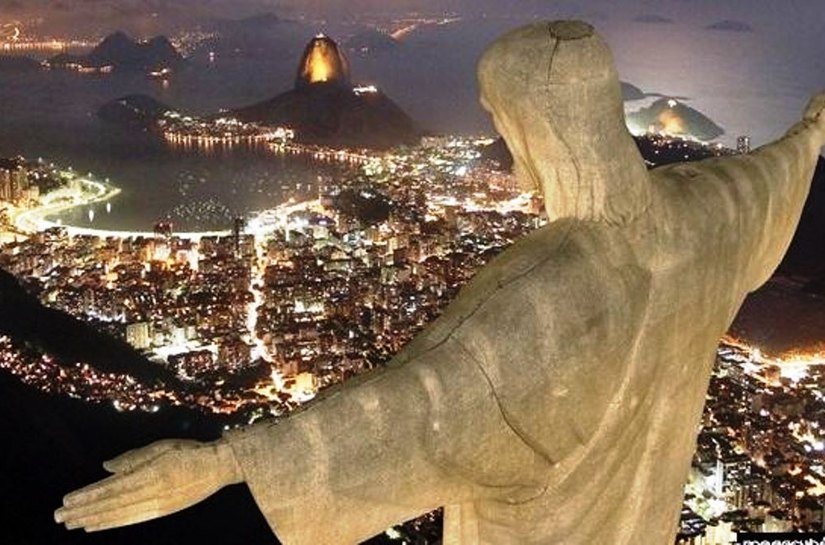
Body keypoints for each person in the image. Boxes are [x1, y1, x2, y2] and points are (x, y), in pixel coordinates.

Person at [55, 20, 825, 544]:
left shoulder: (546, 290)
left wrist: (225, 462)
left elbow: (415, 404)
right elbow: (776, 171)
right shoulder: (708, 212)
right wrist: (813, 128)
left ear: (524, 127)